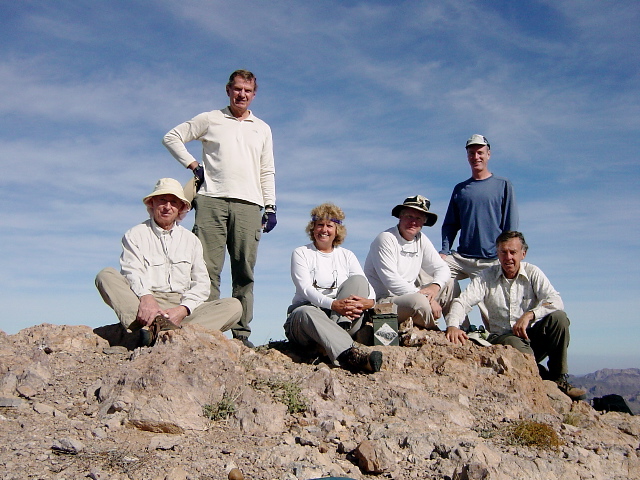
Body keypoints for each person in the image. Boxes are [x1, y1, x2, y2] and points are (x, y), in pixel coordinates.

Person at [162, 69, 276, 348]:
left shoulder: (262, 128)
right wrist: (192, 165)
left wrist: (270, 206)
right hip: (211, 200)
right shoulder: (210, 119)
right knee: (206, 269)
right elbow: (172, 137)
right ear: (228, 90)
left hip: (249, 204)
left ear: (254, 94)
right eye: (237, 89)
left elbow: (267, 169)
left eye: (248, 91)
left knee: (244, 271)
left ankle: (241, 334)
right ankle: (208, 333)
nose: (242, 95)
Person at [95, 178, 242, 346]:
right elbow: (131, 272)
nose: (167, 207)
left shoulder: (191, 240)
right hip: (144, 304)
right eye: (162, 200)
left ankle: (164, 333)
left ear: (181, 208)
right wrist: (146, 298)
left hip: (181, 307)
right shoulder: (135, 234)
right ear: (152, 203)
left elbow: (201, 283)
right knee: (105, 275)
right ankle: (155, 329)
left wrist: (183, 309)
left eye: (174, 202)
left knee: (234, 306)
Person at [445, 231, 586, 400]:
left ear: (523, 254)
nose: (508, 257)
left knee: (559, 319)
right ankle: (539, 377)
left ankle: (558, 377)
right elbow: (463, 301)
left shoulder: (533, 273)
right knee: (512, 341)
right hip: (503, 338)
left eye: (513, 252)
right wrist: (453, 325)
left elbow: (555, 300)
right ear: (497, 253)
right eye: (503, 252)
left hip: (530, 336)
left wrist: (530, 315)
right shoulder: (486, 277)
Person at [284, 203, 382, 373]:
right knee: (306, 311)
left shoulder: (347, 255)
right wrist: (333, 304)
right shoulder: (301, 253)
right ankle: (351, 356)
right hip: (306, 323)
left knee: (357, 280)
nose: (324, 230)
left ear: (337, 230)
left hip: (340, 319)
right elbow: (305, 289)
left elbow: (365, 283)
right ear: (312, 228)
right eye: (319, 224)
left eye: (329, 225)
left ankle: (327, 345)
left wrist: (370, 303)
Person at [440, 134, 518, 320]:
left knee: (492, 317)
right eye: (472, 153)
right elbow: (450, 224)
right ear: (467, 156)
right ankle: (460, 326)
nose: (476, 157)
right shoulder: (461, 189)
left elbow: (510, 226)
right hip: (462, 258)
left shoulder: (503, 185)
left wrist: (507, 255)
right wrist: (444, 251)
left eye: (480, 152)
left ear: (488, 154)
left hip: (491, 259)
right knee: (436, 270)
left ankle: (494, 337)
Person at [364, 195, 451, 329]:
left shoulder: (421, 239)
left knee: (450, 284)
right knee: (418, 302)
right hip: (385, 300)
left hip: (413, 294)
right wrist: (427, 298)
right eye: (409, 216)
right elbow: (392, 281)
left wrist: (435, 287)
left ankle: (454, 328)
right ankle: (434, 331)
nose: (413, 222)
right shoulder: (386, 239)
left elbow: (442, 268)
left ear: (424, 222)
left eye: (418, 218)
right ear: (400, 217)